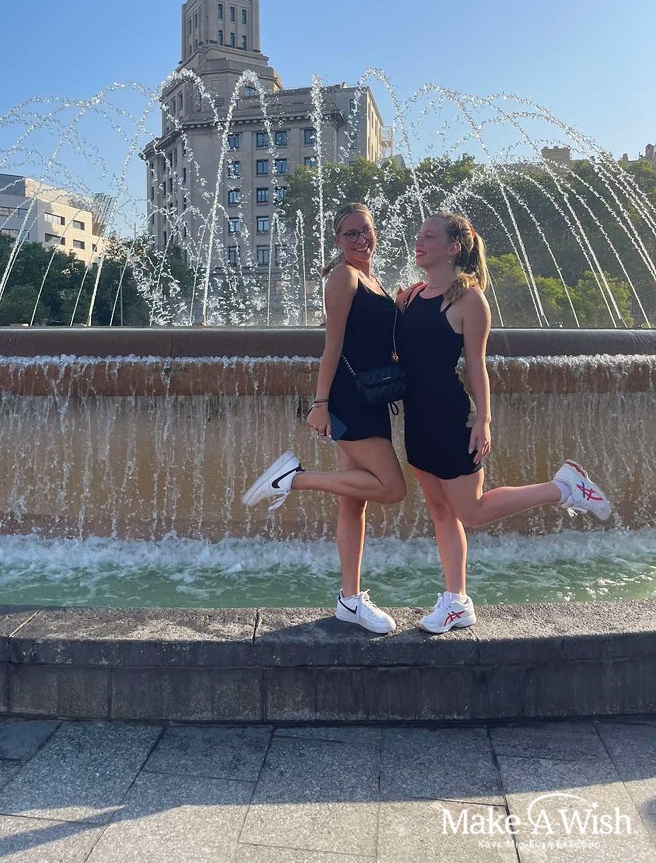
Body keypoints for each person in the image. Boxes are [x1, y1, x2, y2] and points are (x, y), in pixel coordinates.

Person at [396, 212, 611, 634]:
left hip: (449, 417)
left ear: (453, 247)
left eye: (429, 236)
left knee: (472, 512)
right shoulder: (412, 296)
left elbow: (476, 365)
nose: (418, 242)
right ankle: (456, 602)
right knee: (441, 511)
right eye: (418, 235)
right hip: (416, 419)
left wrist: (484, 419)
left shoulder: (468, 300)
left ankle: (564, 487)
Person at [242, 202, 406, 634]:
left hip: (371, 397)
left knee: (354, 501)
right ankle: (292, 479)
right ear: (337, 240)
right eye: (351, 233)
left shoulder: (373, 279)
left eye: (366, 231)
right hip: (351, 399)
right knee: (392, 488)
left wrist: (402, 305)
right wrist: (319, 403)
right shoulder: (343, 277)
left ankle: (349, 599)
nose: (361, 239)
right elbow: (331, 345)